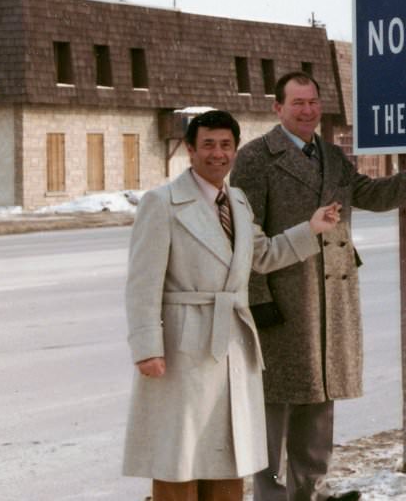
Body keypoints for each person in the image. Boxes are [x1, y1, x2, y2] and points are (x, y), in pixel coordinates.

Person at [229, 72, 406, 501]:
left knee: (320, 399)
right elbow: (247, 235)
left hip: (330, 300)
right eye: (297, 103)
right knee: (275, 411)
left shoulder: (332, 157)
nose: (307, 110)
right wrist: (259, 298)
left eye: (313, 102)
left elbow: (372, 195)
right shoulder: (256, 158)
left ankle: (312, 491)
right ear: (277, 108)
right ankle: (272, 496)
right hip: (283, 300)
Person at [123, 110, 341, 501]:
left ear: (236, 151)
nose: (217, 154)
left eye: (226, 145)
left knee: (228, 454)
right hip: (183, 345)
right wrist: (146, 348)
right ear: (190, 149)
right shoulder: (162, 203)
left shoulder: (237, 201)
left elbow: (263, 255)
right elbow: (142, 284)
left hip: (233, 347)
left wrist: (311, 229)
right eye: (207, 144)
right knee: (180, 456)